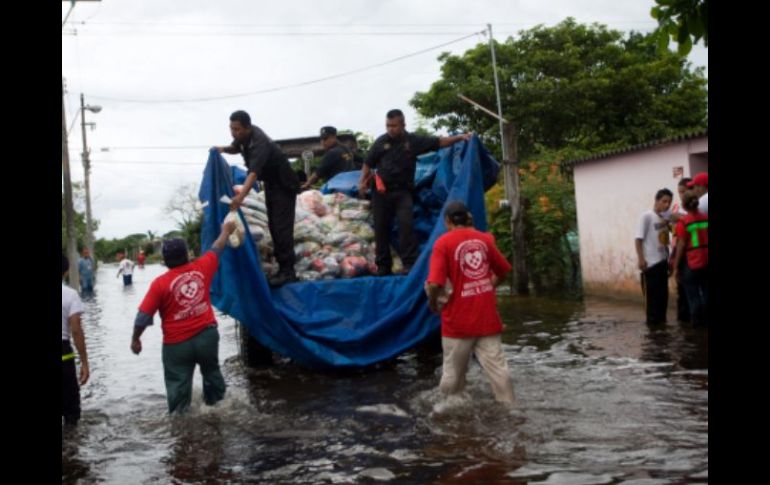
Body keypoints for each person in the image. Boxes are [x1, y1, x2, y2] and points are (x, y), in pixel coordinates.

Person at [130, 220, 237, 414]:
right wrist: (226, 231)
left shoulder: (159, 284)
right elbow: (217, 248)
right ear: (187, 254)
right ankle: (218, 416)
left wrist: (135, 339)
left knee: (178, 395)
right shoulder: (202, 267)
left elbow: (143, 317)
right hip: (207, 337)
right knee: (212, 376)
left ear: (164, 259)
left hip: (176, 345)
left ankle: (181, 434)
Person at [358, 109, 472, 275]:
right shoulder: (381, 142)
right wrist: (362, 181)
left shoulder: (413, 141)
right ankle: (383, 267)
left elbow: (439, 142)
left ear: (403, 125)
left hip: (403, 192)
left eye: (394, 126)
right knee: (381, 229)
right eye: (388, 126)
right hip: (381, 193)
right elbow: (368, 163)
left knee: (406, 226)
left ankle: (410, 264)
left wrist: (460, 137)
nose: (391, 129)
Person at [424, 201, 516, 404]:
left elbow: (434, 284)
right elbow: (503, 271)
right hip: (487, 319)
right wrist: (487, 286)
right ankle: (511, 412)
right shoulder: (485, 239)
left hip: (457, 324)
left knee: (452, 380)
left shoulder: (443, 243)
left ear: (447, 221)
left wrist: (432, 303)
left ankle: (450, 416)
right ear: (468, 219)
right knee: (500, 374)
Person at [213, 110, 300, 286]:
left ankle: (288, 272)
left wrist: (240, 198)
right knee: (274, 226)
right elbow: (235, 147)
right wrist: (221, 149)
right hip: (271, 184)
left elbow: (253, 173)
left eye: (237, 129)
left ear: (247, 128)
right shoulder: (243, 138)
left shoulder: (259, 143)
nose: (234, 133)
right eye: (231, 129)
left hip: (284, 184)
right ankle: (283, 268)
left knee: (281, 227)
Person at [635, 188, 673, 325]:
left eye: (669, 202)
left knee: (663, 300)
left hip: (663, 263)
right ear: (656, 201)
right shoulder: (646, 216)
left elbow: (665, 242)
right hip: (650, 265)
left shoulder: (665, 218)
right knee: (652, 304)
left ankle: (661, 332)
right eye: (664, 201)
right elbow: (638, 239)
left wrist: (669, 261)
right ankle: (652, 335)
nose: (667, 205)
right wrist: (641, 259)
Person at [672, 191, 708, 327]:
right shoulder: (705, 218)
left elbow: (681, 245)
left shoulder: (683, 222)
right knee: (706, 294)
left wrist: (675, 267)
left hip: (690, 263)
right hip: (706, 261)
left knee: (693, 297)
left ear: (684, 206)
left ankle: (697, 328)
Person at [62, 254, 90, 426]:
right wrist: (84, 363)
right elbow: (76, 330)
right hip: (63, 354)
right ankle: (71, 451)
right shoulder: (70, 295)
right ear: (66, 271)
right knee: (71, 413)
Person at [300, 126, 355, 190]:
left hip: (336, 190)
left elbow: (318, 174)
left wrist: (306, 185)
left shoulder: (332, 153)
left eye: (325, 139)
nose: (322, 142)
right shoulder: (347, 149)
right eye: (321, 139)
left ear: (333, 137)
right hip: (350, 187)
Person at [668, 178, 691, 322]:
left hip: (689, 249)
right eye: (680, 192)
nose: (682, 195)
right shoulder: (676, 207)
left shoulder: (694, 205)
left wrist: (680, 218)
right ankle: (683, 317)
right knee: (680, 284)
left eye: (684, 191)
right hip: (676, 248)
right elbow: (670, 221)